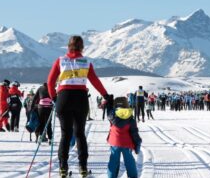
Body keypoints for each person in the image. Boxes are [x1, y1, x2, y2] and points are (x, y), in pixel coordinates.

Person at [48, 35, 112, 178]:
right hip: (80, 98)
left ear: (68, 46)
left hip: (63, 98)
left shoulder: (60, 60)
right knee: (80, 134)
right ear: (82, 47)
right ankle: (83, 167)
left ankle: (63, 167)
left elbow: (50, 81)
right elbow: (95, 81)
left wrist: (54, 98)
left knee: (66, 134)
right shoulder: (86, 62)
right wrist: (106, 95)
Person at [107, 97, 141, 178]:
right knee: (129, 161)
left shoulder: (111, 116)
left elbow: (109, 110)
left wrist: (109, 102)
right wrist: (137, 144)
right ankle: (133, 176)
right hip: (127, 143)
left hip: (114, 142)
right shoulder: (131, 119)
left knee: (113, 160)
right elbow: (134, 134)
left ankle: (111, 176)